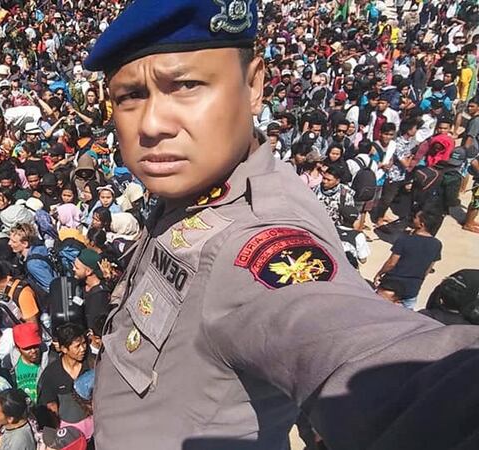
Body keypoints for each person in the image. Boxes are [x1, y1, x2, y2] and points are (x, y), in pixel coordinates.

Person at [84, 1, 479, 448]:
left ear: (254, 85)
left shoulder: (254, 243)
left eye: (186, 85)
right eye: (130, 96)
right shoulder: (198, 183)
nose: (152, 124)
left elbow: (372, 356)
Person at [373, 210, 443, 310]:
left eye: (416, 218)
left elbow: (391, 263)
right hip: (412, 290)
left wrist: (379, 274)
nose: (413, 219)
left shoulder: (405, 239)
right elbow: (428, 269)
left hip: (391, 286)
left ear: (421, 224)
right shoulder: (437, 245)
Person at [38, 323, 90, 426]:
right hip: (68, 429)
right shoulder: (51, 374)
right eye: (77, 346)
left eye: (84, 343)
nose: (83, 349)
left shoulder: (92, 364)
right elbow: (51, 405)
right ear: (64, 349)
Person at [10, 322, 48, 404]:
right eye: (27, 348)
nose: (33, 351)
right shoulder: (8, 363)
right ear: (17, 348)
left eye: (35, 346)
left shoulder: (51, 360)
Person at [72, 248, 111, 328]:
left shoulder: (99, 296)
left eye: (77, 268)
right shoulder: (81, 283)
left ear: (88, 272)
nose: (73, 269)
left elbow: (95, 325)